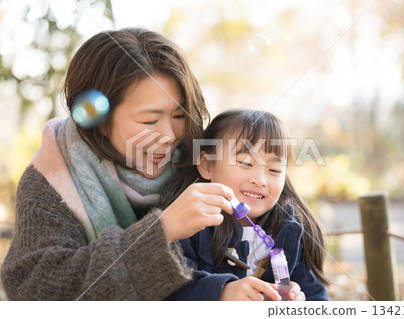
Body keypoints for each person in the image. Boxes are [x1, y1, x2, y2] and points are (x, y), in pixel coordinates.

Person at [0, 28, 281, 301]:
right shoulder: (54, 177)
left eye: (179, 115)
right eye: (149, 121)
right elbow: (33, 290)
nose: (171, 136)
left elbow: (273, 210)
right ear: (99, 121)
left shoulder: (204, 157)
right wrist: (162, 230)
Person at [161, 109, 330, 301]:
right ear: (207, 165)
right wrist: (221, 293)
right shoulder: (188, 226)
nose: (260, 180)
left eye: (274, 170)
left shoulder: (289, 231)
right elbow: (169, 292)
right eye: (245, 163)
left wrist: (298, 301)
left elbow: (318, 297)